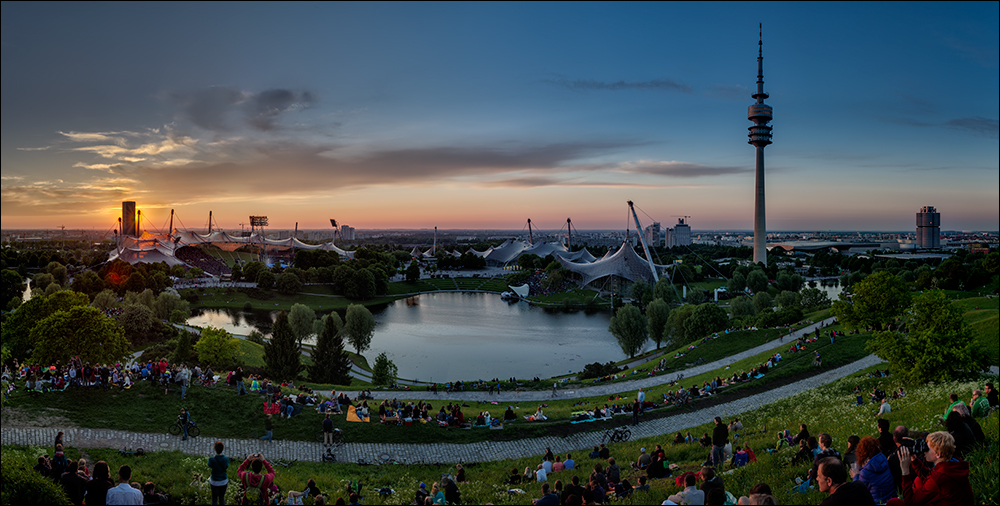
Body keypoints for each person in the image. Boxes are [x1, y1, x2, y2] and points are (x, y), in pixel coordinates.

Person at [897, 431, 973, 505]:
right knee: (918, 481)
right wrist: (913, 458)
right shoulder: (953, 464)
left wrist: (905, 471)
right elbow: (929, 476)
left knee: (893, 502)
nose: (924, 451)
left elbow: (910, 503)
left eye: (927, 448)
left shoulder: (939, 478)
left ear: (938, 454)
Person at [852, 436, 896, 503]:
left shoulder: (866, 472)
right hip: (893, 500)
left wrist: (855, 476)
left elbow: (859, 491)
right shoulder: (883, 459)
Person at [207, 441, 229, 506]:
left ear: (215, 449)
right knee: (221, 498)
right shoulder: (226, 459)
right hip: (223, 481)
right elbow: (226, 467)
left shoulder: (211, 459)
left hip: (214, 482)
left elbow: (209, 465)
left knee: (214, 499)